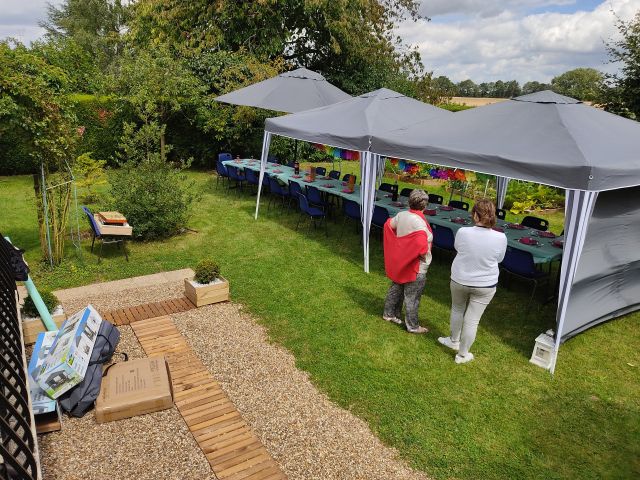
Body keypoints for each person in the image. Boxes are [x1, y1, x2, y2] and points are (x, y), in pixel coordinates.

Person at [438, 199, 507, 363]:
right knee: (472, 319)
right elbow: (499, 259)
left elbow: (458, 248)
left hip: (460, 279)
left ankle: (453, 341)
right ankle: (462, 354)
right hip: (485, 284)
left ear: (475, 215)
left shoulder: (463, 232)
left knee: (457, 309)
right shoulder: (501, 237)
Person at [382, 190, 433, 334]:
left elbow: (389, 225)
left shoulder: (402, 215)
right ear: (425, 205)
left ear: (409, 201)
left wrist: (399, 246)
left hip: (401, 261)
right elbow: (421, 243)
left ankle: (389, 313)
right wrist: (424, 256)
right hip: (415, 265)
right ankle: (413, 326)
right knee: (412, 296)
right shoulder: (419, 222)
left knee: (396, 288)